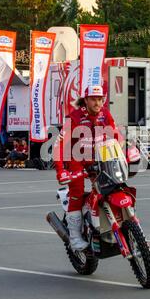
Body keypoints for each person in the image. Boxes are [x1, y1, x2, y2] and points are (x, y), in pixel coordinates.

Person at [53, 85, 124, 251]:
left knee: (110, 187)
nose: (98, 103)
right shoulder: (75, 117)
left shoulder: (105, 113)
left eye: (100, 99)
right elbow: (59, 144)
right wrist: (61, 170)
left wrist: (126, 153)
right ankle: (75, 236)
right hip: (76, 158)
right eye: (93, 99)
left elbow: (116, 136)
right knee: (77, 193)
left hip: (99, 157)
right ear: (85, 100)